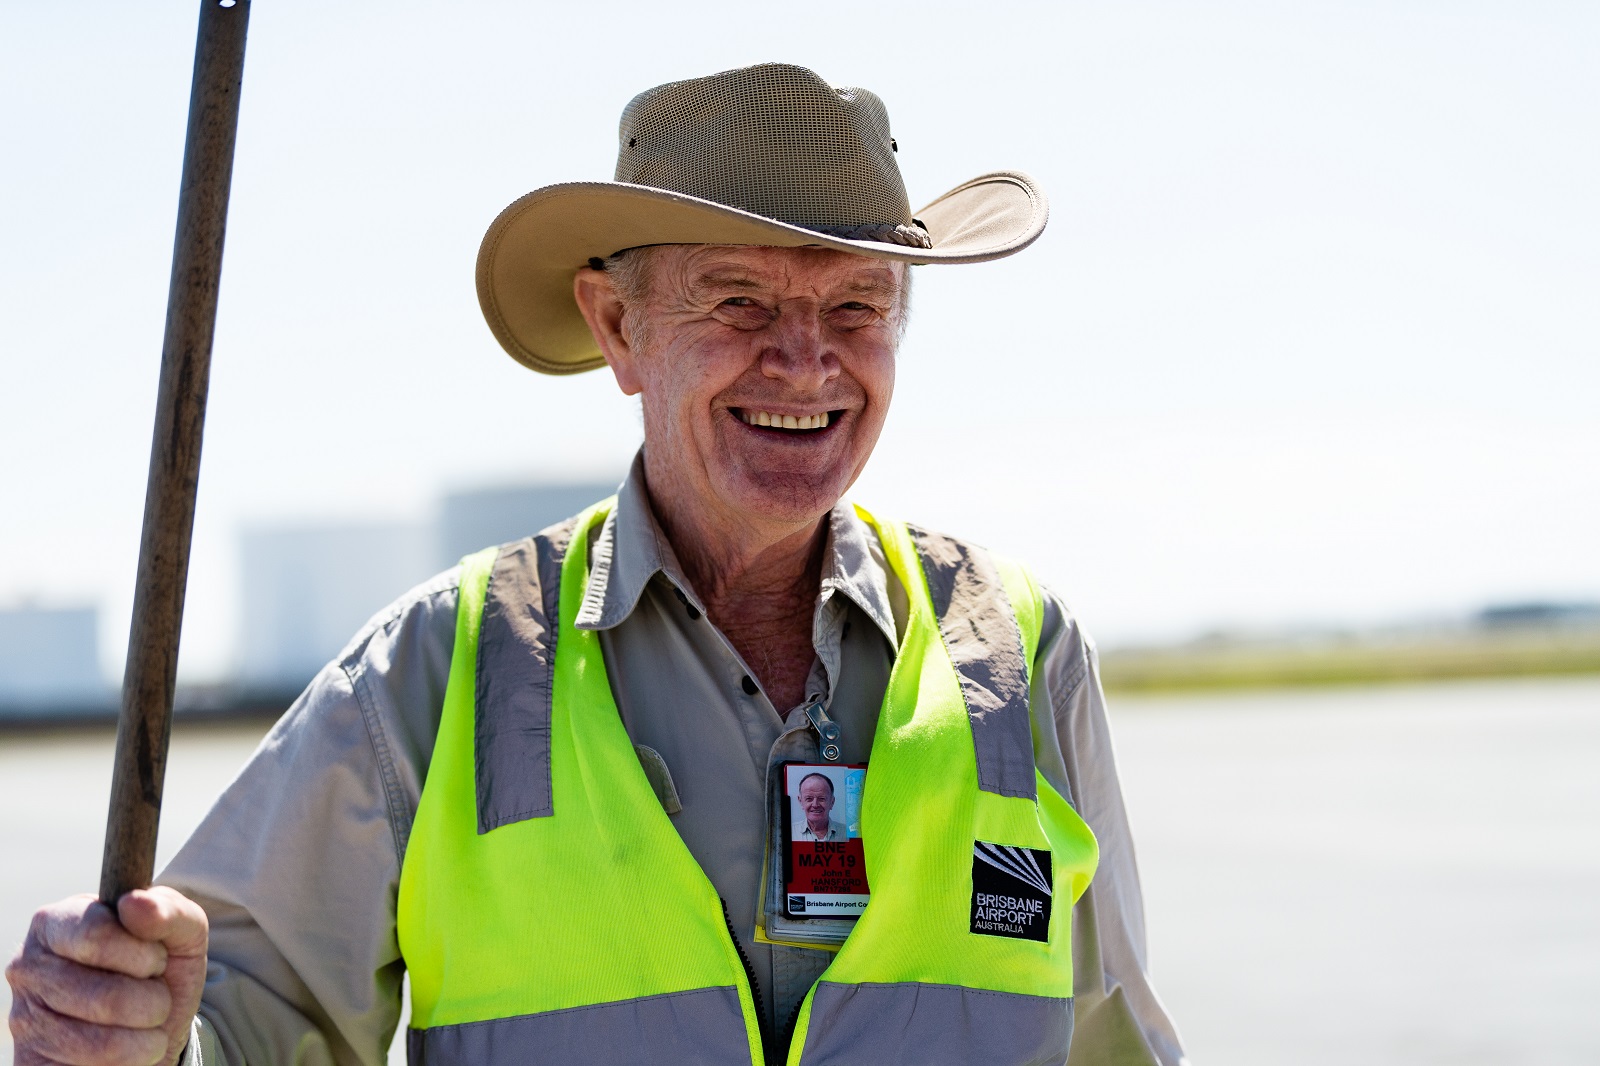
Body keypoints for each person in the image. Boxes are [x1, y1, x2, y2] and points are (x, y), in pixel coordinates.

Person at [7, 63, 1188, 1066]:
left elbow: (1118, 1042)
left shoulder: (1026, 651)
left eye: (858, 306)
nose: (805, 362)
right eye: (739, 299)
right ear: (618, 328)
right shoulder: (437, 667)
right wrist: (133, 1030)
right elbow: (242, 1030)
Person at [793, 773, 847, 842]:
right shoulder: (789, 832)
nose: (815, 805)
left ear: (832, 802)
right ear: (801, 801)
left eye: (821, 798)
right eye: (809, 799)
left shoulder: (847, 834)